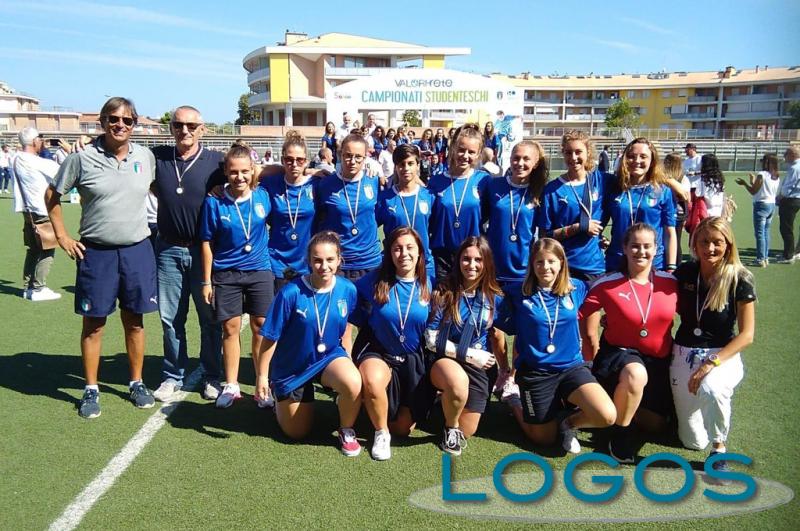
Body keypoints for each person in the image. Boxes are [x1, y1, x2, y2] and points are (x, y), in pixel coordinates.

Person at [46, 97, 158, 419]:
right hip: (97, 252)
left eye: (127, 120)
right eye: (113, 119)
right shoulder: (81, 159)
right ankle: (91, 388)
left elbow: (158, 190)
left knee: (135, 321)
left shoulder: (145, 156)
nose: (120, 125)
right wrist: (62, 236)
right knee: (94, 324)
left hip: (137, 249)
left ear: (134, 124)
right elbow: (52, 196)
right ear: (102, 122)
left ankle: (136, 382)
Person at [497, 238, 616, 452]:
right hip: (536, 373)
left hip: (571, 368)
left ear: (561, 262)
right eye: (539, 262)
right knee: (543, 439)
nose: (545, 267)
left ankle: (567, 423)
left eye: (551, 261)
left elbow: (607, 295)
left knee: (606, 415)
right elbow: (489, 304)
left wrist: (612, 318)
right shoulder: (517, 292)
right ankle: (514, 399)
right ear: (532, 265)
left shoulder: (577, 288)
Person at [255, 231, 362, 456]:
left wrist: (348, 360)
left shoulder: (347, 289)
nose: (324, 266)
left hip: (328, 357)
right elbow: (270, 337)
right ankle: (280, 398)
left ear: (339, 259)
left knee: (353, 382)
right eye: (318, 260)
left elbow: (347, 327)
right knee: (297, 432)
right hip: (293, 366)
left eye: (330, 259)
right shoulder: (290, 293)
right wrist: (262, 376)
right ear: (309, 261)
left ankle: (346, 430)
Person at [580, 223, 678, 463]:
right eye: (635, 246)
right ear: (624, 248)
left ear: (657, 249)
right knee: (636, 374)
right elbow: (576, 315)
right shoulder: (607, 283)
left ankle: (610, 406)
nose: (641, 252)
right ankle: (620, 435)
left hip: (658, 361)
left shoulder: (671, 283)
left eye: (647, 246)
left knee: (658, 426)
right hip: (619, 357)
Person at [150, 105, 226, 402]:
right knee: (170, 318)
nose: (185, 131)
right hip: (168, 248)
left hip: (205, 251)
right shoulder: (157, 157)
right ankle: (173, 375)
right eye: (178, 125)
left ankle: (211, 375)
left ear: (202, 129)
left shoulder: (216, 161)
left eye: (191, 126)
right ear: (170, 128)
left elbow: (251, 172)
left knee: (210, 318)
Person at [669, 217, 755, 473]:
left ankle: (718, 451)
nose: (710, 248)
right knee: (693, 442)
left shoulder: (740, 278)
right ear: (694, 244)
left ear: (728, 244)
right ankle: (681, 413)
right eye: (704, 241)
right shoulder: (685, 272)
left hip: (721, 355)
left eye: (717, 242)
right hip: (684, 352)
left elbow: (747, 335)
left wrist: (710, 364)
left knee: (713, 389)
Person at [200, 144, 274, 409]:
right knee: (230, 328)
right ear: (226, 172)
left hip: (259, 270)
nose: (239, 177)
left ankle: (262, 383)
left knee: (261, 326)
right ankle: (231, 385)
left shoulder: (263, 196)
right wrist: (206, 280)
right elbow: (207, 242)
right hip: (226, 272)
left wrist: (314, 171)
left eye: (244, 171)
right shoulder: (214, 201)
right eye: (233, 172)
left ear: (253, 171)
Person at [350, 228, 432, 460]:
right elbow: (348, 293)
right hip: (379, 351)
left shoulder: (430, 283)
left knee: (403, 429)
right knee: (372, 380)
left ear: (419, 252)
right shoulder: (375, 280)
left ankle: (373, 408)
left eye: (409, 248)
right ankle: (381, 432)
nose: (403, 254)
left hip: (413, 358)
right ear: (389, 253)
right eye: (397, 248)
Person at [424, 236, 505, 455]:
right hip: (444, 360)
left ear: (486, 262)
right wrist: (469, 354)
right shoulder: (443, 291)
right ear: (458, 261)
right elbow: (431, 339)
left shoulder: (494, 297)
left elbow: (500, 334)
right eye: (466, 259)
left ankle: (446, 401)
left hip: (478, 368)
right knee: (457, 383)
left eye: (478, 260)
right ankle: (450, 428)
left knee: (468, 430)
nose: (472, 265)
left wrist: (505, 371)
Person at [538, 130, 610, 281]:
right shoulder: (552, 190)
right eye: (568, 152)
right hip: (564, 267)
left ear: (588, 152)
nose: (573, 157)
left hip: (594, 267)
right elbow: (545, 236)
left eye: (578, 152)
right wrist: (578, 227)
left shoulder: (602, 181)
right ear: (563, 154)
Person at [603, 138, 677, 272]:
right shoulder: (614, 188)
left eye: (643, 156)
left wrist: (671, 266)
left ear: (652, 161)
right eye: (631, 156)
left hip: (653, 263)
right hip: (618, 261)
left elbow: (670, 233)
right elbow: (599, 219)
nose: (636, 161)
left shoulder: (662, 191)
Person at [428, 124, 491, 283]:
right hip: (442, 255)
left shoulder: (483, 180)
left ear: (478, 154)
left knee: (469, 297)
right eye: (461, 150)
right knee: (443, 297)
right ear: (453, 148)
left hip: (473, 256)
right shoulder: (436, 181)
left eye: (471, 152)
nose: (465, 155)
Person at [315, 134, 382, 281]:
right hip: (338, 263)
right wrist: (310, 171)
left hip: (369, 261)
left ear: (365, 158)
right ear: (340, 155)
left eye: (358, 157)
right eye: (348, 155)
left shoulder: (374, 181)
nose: (352, 161)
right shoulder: (325, 184)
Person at [261, 131, 316, 292]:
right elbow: (250, 171)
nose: (294, 164)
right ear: (282, 160)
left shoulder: (316, 184)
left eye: (300, 160)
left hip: (308, 263)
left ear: (307, 161)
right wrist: (221, 187)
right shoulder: (270, 183)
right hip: (277, 262)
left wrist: (315, 172)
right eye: (289, 159)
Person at [11, 127, 61, 300]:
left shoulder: (15, 158)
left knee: (33, 249)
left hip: (27, 209)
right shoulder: (37, 162)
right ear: (34, 141)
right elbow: (60, 171)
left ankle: (28, 287)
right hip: (41, 209)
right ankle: (39, 288)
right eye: (40, 139)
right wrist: (49, 151)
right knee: (48, 247)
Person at [376, 144, 435, 279]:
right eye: (401, 164)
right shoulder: (385, 198)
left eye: (410, 163)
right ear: (396, 167)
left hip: (424, 263)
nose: (406, 168)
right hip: (395, 263)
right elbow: (371, 228)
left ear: (418, 165)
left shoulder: (429, 196)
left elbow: (435, 229)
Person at [735, 153, 781, 267]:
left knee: (760, 233)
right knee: (766, 232)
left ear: (767, 163)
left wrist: (744, 184)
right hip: (771, 205)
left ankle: (760, 259)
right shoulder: (776, 176)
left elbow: (753, 191)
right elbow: (760, 189)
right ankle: (765, 257)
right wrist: (752, 181)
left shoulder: (762, 174)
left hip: (761, 205)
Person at [663, 153, 691, 266]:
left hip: (671, 212)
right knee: (675, 239)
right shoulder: (683, 178)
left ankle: (670, 264)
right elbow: (688, 199)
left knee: (667, 239)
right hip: (679, 212)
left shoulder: (664, 178)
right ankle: (675, 265)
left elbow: (686, 197)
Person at [777, 145, 800, 264]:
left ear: (792, 155)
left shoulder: (794, 168)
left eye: (786, 154)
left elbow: (789, 186)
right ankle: (796, 251)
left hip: (791, 200)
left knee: (786, 228)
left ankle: (788, 255)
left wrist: (780, 196)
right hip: (797, 198)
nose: (784, 156)